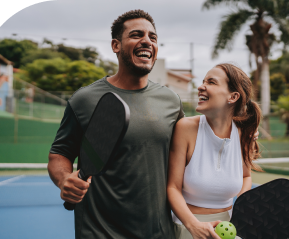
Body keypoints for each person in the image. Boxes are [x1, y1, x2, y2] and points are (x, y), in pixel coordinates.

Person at [47, 10, 184, 238]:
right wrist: (64, 180)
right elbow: (59, 154)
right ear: (116, 45)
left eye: (153, 37)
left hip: (159, 233)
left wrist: (240, 133)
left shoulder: (171, 101)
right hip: (99, 232)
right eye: (136, 35)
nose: (147, 42)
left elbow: (189, 149)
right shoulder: (84, 99)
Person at [167, 63, 262, 239]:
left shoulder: (244, 135)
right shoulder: (185, 128)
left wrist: (243, 207)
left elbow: (245, 176)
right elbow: (172, 187)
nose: (201, 86)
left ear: (233, 96)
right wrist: (193, 226)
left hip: (230, 228)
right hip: (186, 227)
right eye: (203, 81)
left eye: (211, 82)